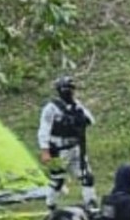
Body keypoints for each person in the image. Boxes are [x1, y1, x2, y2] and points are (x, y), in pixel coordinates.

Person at [37, 76, 97, 212]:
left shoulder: (77, 105)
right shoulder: (51, 108)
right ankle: (50, 204)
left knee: (87, 176)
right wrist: (45, 151)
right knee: (58, 180)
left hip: (76, 148)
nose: (68, 91)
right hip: (57, 149)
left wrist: (80, 118)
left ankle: (91, 205)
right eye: (65, 88)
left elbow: (91, 120)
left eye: (70, 89)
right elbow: (44, 129)